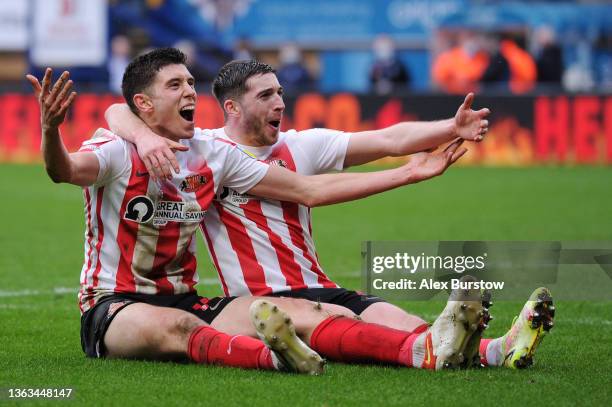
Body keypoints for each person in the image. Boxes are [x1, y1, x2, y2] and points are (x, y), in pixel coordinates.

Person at [27, 48, 491, 373]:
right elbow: (65, 168)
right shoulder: (114, 151)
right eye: (176, 85)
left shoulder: (214, 154)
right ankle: (274, 357)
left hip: (194, 294)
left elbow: (308, 189)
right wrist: (52, 131)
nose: (190, 92)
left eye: (191, 82)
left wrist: (415, 167)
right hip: (114, 303)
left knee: (301, 314)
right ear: (146, 103)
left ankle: (447, 350)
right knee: (180, 327)